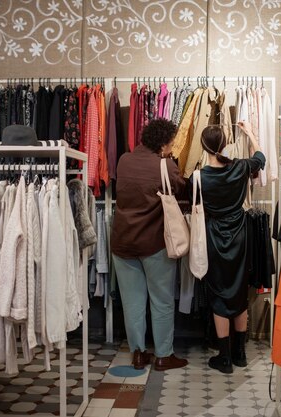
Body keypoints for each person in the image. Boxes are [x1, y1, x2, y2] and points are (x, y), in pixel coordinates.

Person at [110, 118, 189, 372]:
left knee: (132, 302)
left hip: (123, 241)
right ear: (164, 143)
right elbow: (180, 189)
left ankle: (138, 354)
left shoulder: (124, 160)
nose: (172, 148)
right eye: (171, 143)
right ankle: (164, 356)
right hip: (154, 243)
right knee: (161, 300)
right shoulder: (166, 166)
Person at [196, 121, 265, 374]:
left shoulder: (201, 177)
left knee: (219, 294)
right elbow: (261, 157)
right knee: (239, 293)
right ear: (225, 144)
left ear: (204, 147)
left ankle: (224, 357)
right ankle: (240, 354)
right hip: (239, 234)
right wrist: (250, 133)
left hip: (215, 236)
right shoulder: (240, 167)